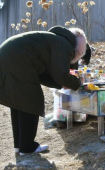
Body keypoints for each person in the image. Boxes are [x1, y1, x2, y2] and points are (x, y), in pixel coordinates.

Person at [0, 26, 92, 156]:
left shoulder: (54, 41)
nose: (76, 57)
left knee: (19, 102)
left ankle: (20, 146)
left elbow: (43, 75)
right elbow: (61, 75)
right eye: (77, 55)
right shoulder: (64, 45)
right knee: (31, 100)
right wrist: (77, 83)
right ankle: (27, 147)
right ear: (77, 50)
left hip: (8, 56)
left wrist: (62, 84)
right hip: (17, 60)